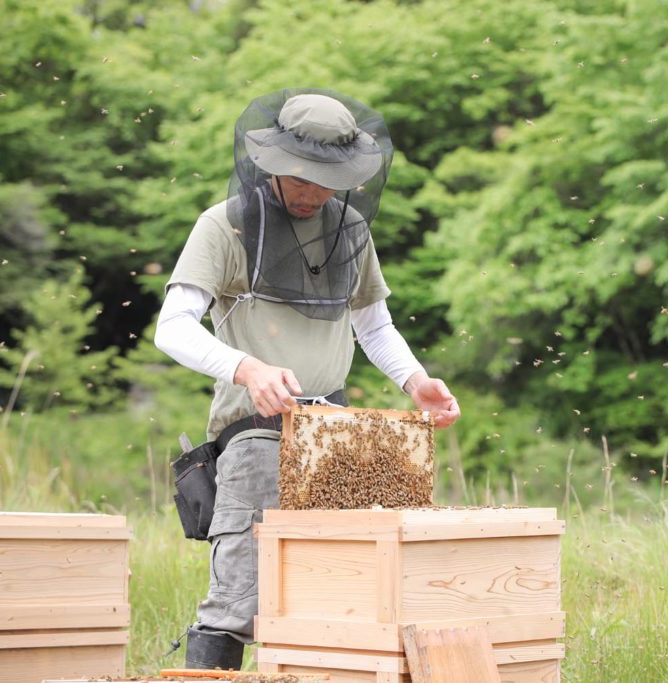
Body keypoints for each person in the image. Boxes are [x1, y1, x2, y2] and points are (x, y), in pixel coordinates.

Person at [154, 89, 460, 670]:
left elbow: (374, 326)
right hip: (256, 434)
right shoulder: (225, 226)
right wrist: (246, 367)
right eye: (301, 177)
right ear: (273, 160)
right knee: (238, 602)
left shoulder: (350, 228)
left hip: (340, 437)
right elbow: (171, 328)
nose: (313, 192)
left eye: (328, 180)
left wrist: (414, 380)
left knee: (344, 596)